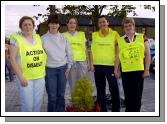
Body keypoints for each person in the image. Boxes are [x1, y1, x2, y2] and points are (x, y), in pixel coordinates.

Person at [10, 16, 46, 112]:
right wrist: (21, 77)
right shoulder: (16, 39)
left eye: (30, 24)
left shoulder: (38, 38)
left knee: (37, 103)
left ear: (33, 26)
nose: (27, 27)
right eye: (25, 25)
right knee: (27, 105)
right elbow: (12, 59)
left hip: (39, 76)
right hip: (25, 78)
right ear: (21, 27)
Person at [115, 17, 150, 112]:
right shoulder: (120, 40)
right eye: (126, 26)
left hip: (138, 71)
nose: (128, 27)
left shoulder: (142, 37)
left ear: (134, 26)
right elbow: (118, 56)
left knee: (137, 97)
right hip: (126, 72)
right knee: (128, 96)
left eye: (130, 25)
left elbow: (147, 54)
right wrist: (116, 70)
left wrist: (147, 70)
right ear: (123, 28)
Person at [41, 14, 73, 112]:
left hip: (63, 69)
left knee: (61, 95)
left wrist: (69, 66)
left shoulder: (64, 38)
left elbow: (69, 53)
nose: (54, 25)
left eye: (56, 23)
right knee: (52, 96)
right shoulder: (42, 39)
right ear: (49, 25)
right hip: (49, 69)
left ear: (59, 25)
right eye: (52, 23)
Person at [89, 16, 120, 112]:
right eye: (100, 22)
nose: (102, 24)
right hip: (97, 66)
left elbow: (119, 52)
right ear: (98, 25)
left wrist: (117, 68)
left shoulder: (115, 34)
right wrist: (91, 64)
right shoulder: (94, 35)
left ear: (108, 22)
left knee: (114, 88)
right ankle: (102, 110)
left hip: (110, 66)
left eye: (104, 22)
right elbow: (91, 51)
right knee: (100, 89)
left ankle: (116, 110)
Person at [63, 16, 90, 92]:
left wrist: (88, 62)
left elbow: (85, 49)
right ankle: (74, 102)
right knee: (73, 84)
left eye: (74, 23)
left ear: (76, 25)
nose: (72, 25)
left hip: (82, 62)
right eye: (70, 23)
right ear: (67, 24)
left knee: (82, 83)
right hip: (70, 62)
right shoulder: (63, 35)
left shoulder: (81, 34)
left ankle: (82, 101)